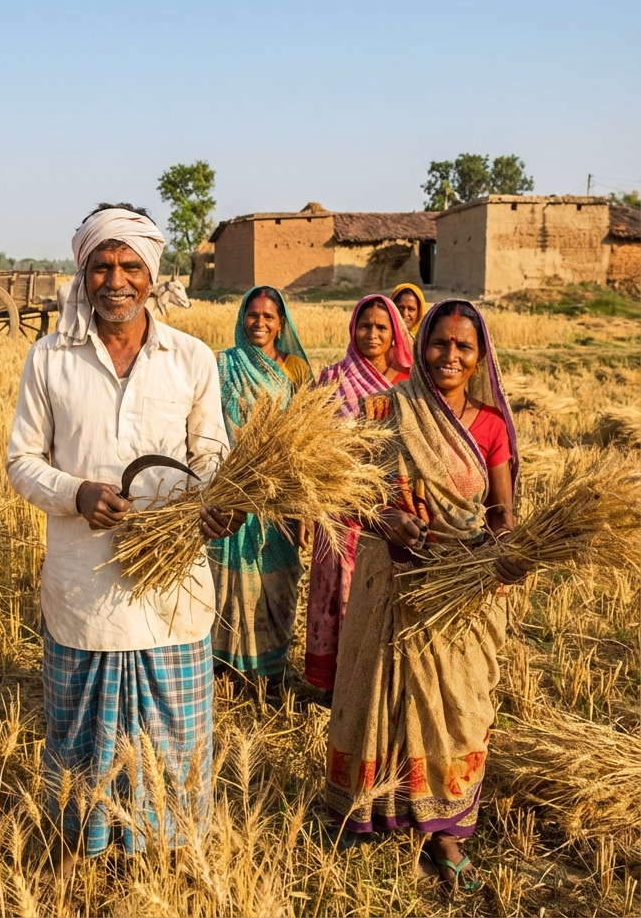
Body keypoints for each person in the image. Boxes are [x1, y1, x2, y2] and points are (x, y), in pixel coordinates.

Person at [6, 203, 237, 876]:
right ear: (82, 273)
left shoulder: (190, 358)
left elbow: (212, 455)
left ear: (152, 274)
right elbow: (21, 462)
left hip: (171, 587)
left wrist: (218, 504)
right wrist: (75, 494)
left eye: (130, 265)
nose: (115, 279)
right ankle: (83, 847)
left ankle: (162, 856)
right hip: (86, 584)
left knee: (173, 734)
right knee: (82, 735)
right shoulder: (49, 359)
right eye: (101, 265)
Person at [325, 299, 530, 891]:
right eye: (440, 343)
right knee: (380, 695)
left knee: (458, 706)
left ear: (479, 356)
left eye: (464, 347)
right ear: (421, 347)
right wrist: (385, 518)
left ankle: (444, 831)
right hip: (388, 577)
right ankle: (384, 813)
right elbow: (350, 495)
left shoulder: (490, 425)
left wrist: (505, 555)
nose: (450, 356)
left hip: (459, 588)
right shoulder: (384, 411)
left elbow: (501, 513)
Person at [304, 295, 412, 694]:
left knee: (381, 590)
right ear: (353, 328)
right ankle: (336, 684)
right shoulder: (333, 378)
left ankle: (376, 681)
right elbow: (314, 440)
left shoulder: (409, 383)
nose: (372, 334)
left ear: (395, 333)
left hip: (394, 507)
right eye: (365, 326)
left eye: (381, 328)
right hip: (340, 504)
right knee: (337, 590)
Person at [208, 286, 312, 690]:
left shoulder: (295, 371)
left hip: (278, 496)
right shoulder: (222, 365)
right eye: (253, 315)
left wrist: (303, 506)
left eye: (269, 317)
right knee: (225, 581)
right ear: (241, 318)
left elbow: (308, 437)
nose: (260, 323)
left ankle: (271, 670)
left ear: (281, 324)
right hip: (231, 491)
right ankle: (222, 667)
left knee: (275, 579)